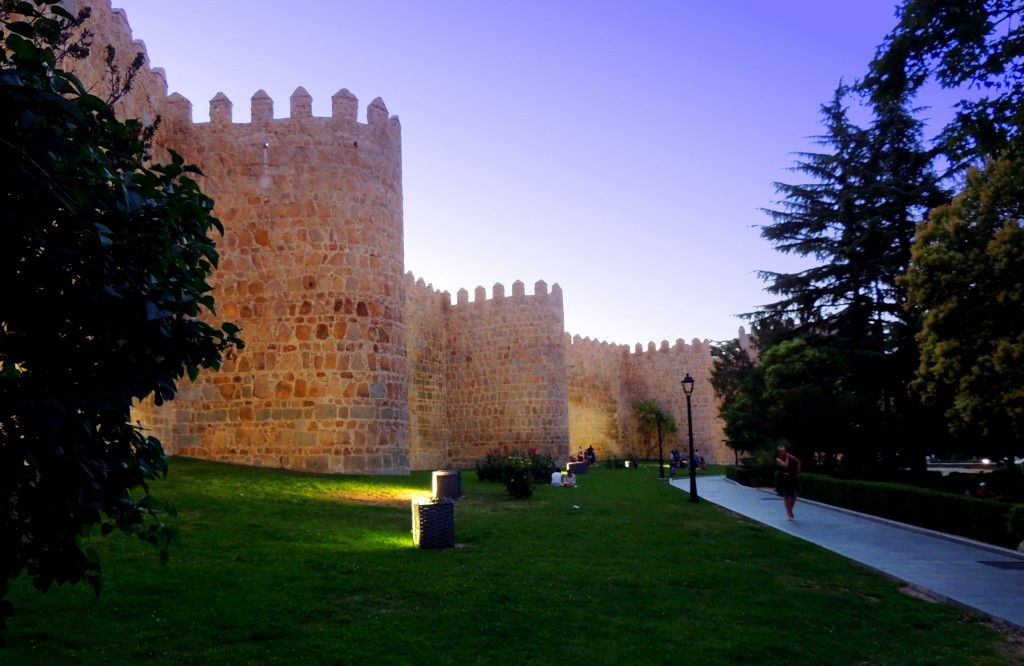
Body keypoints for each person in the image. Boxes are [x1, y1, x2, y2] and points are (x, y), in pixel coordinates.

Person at [775, 445, 801, 520]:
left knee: (793, 497)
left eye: (784, 450)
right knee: (786, 496)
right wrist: (787, 458)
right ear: (779, 452)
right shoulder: (778, 459)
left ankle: (790, 511)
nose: (783, 452)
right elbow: (785, 465)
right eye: (781, 451)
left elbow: (798, 461)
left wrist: (798, 469)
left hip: (791, 478)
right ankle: (789, 514)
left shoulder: (791, 457)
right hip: (783, 478)